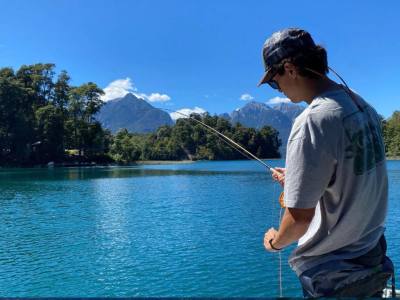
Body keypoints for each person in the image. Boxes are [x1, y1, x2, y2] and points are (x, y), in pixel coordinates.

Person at [259, 28, 394, 297]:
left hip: (334, 273)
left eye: (274, 81)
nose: (278, 89)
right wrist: (298, 178)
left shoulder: (312, 121)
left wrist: (274, 242)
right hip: (371, 254)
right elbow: (352, 174)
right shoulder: (359, 104)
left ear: (290, 68)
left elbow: (299, 220)